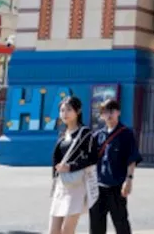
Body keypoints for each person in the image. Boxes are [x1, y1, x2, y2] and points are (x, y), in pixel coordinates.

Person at [90, 99, 143, 234]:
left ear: (118, 112)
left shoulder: (126, 134)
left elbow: (131, 159)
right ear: (101, 115)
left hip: (117, 187)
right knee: (96, 224)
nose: (109, 115)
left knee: (121, 223)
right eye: (105, 112)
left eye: (112, 111)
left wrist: (129, 180)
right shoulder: (97, 136)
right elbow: (90, 160)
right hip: (98, 187)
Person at [50, 96, 98, 234]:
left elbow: (93, 158)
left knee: (67, 230)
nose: (64, 113)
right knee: (53, 230)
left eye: (69, 110)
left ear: (78, 111)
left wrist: (71, 166)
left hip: (77, 184)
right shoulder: (62, 134)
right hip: (61, 184)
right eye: (62, 110)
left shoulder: (85, 133)